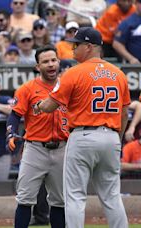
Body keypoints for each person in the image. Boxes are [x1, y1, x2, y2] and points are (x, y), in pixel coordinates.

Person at [35, 27, 130, 228]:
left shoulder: (74, 73)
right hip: (111, 137)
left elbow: (49, 106)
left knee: (75, 196)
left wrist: (38, 105)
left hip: (83, 136)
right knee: (112, 196)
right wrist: (117, 140)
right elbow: (123, 113)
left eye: (76, 45)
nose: (73, 49)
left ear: (89, 47)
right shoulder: (118, 73)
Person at [7, 45, 67, 228]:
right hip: (35, 148)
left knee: (59, 201)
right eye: (45, 62)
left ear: (58, 62)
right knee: (25, 198)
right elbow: (15, 115)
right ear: (37, 66)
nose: (50, 65)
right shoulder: (28, 88)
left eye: (53, 60)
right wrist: (11, 133)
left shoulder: (68, 85)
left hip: (63, 147)